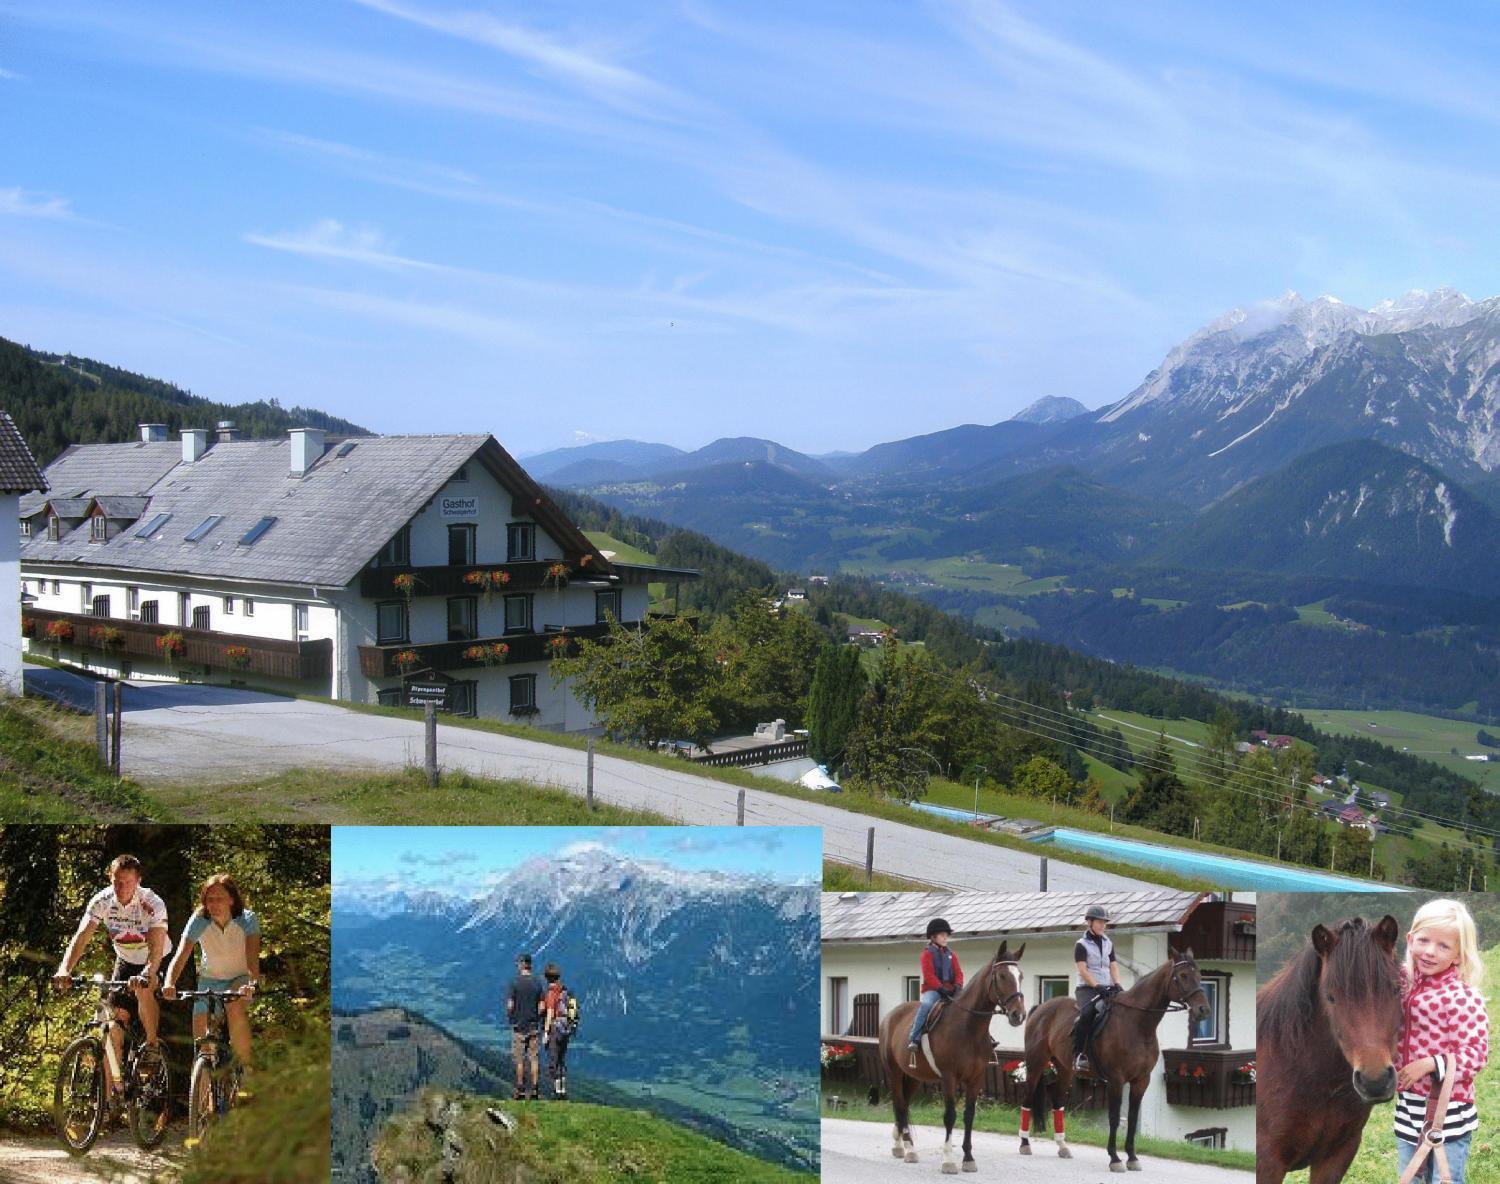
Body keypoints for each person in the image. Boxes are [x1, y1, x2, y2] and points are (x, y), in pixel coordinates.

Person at [52, 854, 173, 1104]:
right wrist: (65, 968)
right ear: (111, 878)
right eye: (117, 881)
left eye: (127, 882)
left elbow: (157, 946)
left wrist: (147, 974)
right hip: (125, 960)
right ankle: (106, 1101)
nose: (121, 888)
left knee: (143, 990)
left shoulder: (152, 902)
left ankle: (151, 1045)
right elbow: (81, 937)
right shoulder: (103, 900)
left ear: (138, 881)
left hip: (155, 958)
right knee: (113, 1024)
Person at [1394, 898, 1490, 1184]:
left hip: (1449, 1117)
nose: (1430, 952)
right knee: (1409, 1178)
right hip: (1409, 1111)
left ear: (1459, 955)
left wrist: (1429, 1064)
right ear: (1410, 940)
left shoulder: (1461, 997)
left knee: (1444, 1180)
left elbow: (1476, 1054)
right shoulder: (1401, 984)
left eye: (1443, 946)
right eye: (1423, 940)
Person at [162, 873, 261, 1090]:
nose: (213, 904)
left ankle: (245, 1070)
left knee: (233, 1004)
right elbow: (180, 956)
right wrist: (169, 983)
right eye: (209, 899)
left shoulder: (247, 919)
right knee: (202, 1046)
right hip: (209, 980)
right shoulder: (199, 920)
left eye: (219, 898)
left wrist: (251, 985)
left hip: (239, 978)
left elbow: (253, 960)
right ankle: (204, 1109)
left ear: (231, 899)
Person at [906, 918, 963, 1068]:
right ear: (933, 937)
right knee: (925, 1005)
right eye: (942, 935)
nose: (946, 937)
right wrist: (940, 988)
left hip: (951, 989)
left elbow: (959, 972)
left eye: (946, 935)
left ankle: (986, 1038)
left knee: (968, 1004)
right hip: (934, 990)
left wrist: (957, 985)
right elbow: (929, 976)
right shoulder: (927, 954)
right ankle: (914, 1038)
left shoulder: (952, 954)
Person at [1072, 904, 1122, 1073]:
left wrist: (1117, 984)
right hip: (1086, 989)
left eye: (1104, 922)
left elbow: (1113, 966)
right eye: (1099, 922)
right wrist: (1097, 986)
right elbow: (1082, 970)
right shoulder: (1081, 944)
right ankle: (1079, 1054)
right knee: (1087, 1014)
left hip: (1107, 987)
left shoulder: (1109, 943)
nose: (1102, 925)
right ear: (1089, 922)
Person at [506, 953, 545, 1100]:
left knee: (519, 1059)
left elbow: (510, 1005)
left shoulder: (514, 983)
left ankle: (520, 1090)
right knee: (534, 1059)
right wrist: (536, 1019)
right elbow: (541, 1007)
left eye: (518, 963)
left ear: (521, 964)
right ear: (530, 965)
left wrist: (512, 1018)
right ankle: (535, 1090)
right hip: (533, 1026)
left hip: (518, 1026)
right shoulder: (537, 983)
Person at [541, 962, 575, 1100]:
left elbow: (549, 1013)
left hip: (555, 1028)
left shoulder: (551, 993)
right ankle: (563, 1090)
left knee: (553, 1060)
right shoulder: (564, 990)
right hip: (565, 1029)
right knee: (561, 1060)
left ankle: (556, 1092)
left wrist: (546, 1032)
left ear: (547, 978)